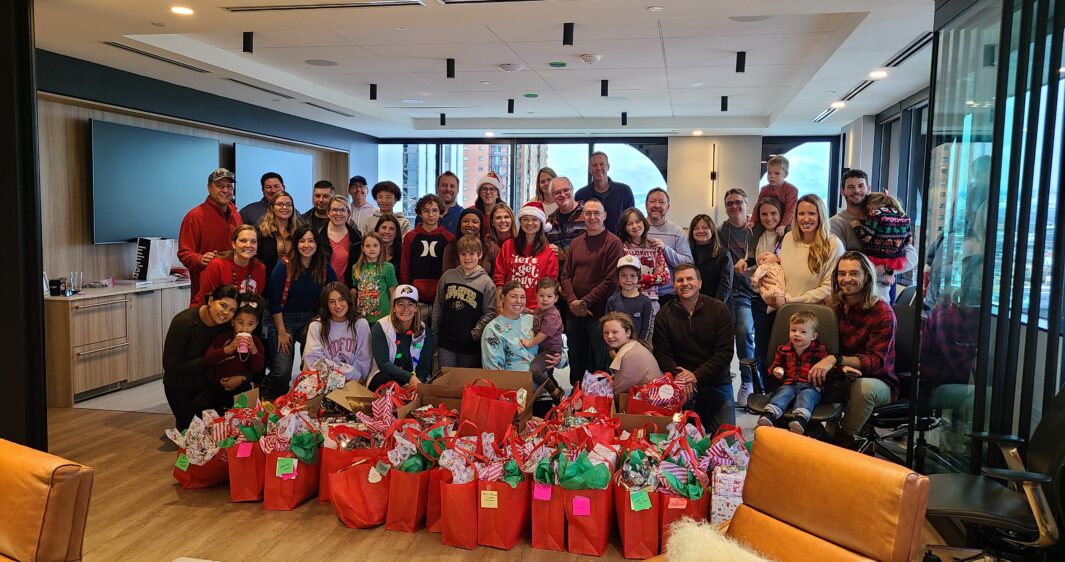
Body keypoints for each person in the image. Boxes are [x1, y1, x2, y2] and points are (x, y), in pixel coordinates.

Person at [808, 251, 897, 446]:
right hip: (842, 374)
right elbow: (820, 348)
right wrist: (837, 365)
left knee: (862, 388)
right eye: (842, 274)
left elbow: (875, 362)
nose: (846, 279)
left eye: (854, 274)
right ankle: (814, 434)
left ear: (866, 277)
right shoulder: (832, 307)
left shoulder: (882, 312)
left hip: (879, 380)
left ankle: (841, 440)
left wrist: (836, 360)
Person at [652, 264, 736, 433]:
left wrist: (696, 376)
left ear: (699, 283)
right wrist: (683, 378)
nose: (685, 283)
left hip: (716, 383)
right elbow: (662, 354)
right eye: (679, 280)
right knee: (673, 440)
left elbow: (725, 353)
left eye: (689, 279)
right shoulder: (664, 314)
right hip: (681, 385)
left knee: (726, 440)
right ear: (674, 285)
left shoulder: (719, 310)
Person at [263, 224, 337, 398]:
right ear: (296, 243)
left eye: (311, 241)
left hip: (309, 320)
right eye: (302, 241)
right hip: (282, 319)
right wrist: (281, 332)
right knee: (282, 371)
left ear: (317, 244)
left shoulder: (323, 266)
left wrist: (322, 317)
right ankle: (266, 395)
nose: (307, 245)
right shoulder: (284, 266)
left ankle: (304, 400)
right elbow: (273, 301)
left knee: (313, 366)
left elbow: (335, 289)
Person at [560, 198, 625, 384]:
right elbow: (565, 276)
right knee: (576, 360)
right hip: (574, 313)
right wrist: (573, 301)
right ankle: (576, 397)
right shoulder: (575, 243)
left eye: (597, 213)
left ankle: (598, 401)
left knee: (599, 362)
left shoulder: (613, 243)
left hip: (600, 314)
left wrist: (585, 302)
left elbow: (611, 281)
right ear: (582, 216)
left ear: (604, 216)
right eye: (588, 213)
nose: (592, 217)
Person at [829, 169, 918, 301]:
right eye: (850, 187)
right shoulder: (836, 223)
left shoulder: (885, 221)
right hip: (850, 298)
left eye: (861, 186)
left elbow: (912, 257)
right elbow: (838, 265)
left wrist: (888, 269)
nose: (856, 191)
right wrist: (881, 276)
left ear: (868, 189)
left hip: (881, 298)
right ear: (842, 191)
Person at [162, 284, 239, 430]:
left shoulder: (228, 325)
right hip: (181, 385)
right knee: (194, 433)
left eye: (232, 310)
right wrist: (210, 360)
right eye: (223, 305)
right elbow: (171, 366)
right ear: (210, 301)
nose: (226, 313)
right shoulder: (183, 322)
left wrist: (241, 377)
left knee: (221, 429)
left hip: (211, 383)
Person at [735, 196, 786, 385]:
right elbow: (752, 260)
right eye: (764, 214)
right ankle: (764, 388)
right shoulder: (755, 232)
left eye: (774, 213)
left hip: (782, 296)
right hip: (758, 296)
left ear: (782, 215)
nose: (769, 218)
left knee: (781, 344)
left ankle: (780, 387)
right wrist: (744, 262)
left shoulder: (788, 236)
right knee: (762, 345)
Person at [757, 311, 831, 434]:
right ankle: (769, 415)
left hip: (810, 386)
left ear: (813, 336)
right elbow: (774, 366)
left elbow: (828, 369)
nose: (796, 334)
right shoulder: (783, 350)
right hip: (789, 384)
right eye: (793, 330)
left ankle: (799, 420)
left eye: (803, 332)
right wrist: (776, 370)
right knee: (783, 393)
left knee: (806, 396)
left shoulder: (820, 351)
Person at [178, 168, 242, 303]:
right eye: (219, 186)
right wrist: (200, 259)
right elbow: (184, 253)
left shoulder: (236, 215)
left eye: (229, 186)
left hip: (234, 289)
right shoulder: (194, 216)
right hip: (207, 289)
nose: (225, 190)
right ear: (209, 188)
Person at [433, 235, 497, 368]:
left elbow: (490, 313)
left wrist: (474, 334)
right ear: (458, 255)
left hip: (469, 344)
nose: (467, 258)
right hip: (446, 340)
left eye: (472, 253)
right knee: (446, 378)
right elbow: (438, 307)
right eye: (463, 254)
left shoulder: (487, 283)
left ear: (480, 255)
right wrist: (435, 333)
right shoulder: (447, 276)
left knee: (465, 381)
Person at [769, 194, 845, 308]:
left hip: (811, 314)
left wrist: (791, 301)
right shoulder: (789, 238)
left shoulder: (834, 245)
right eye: (801, 214)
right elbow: (780, 273)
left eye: (812, 213)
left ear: (821, 216)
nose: (806, 219)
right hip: (781, 309)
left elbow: (829, 288)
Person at [719, 188, 757, 407]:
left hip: (757, 290)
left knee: (748, 333)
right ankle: (738, 380)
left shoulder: (757, 228)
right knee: (735, 332)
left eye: (738, 202)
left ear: (747, 203)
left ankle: (752, 382)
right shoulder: (722, 231)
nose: (734, 206)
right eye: (730, 203)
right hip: (734, 291)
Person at [482, 280, 564, 375]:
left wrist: (559, 360)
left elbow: (558, 346)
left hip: (542, 385)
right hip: (513, 387)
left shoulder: (533, 319)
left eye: (522, 297)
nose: (519, 301)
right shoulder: (492, 330)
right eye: (514, 297)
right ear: (503, 298)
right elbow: (494, 373)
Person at [493, 201, 559, 310]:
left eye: (534, 219)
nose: (529, 223)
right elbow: (499, 276)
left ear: (541, 223)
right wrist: (499, 304)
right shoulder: (508, 245)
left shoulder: (549, 251)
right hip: (509, 307)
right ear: (520, 221)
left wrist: (537, 310)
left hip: (535, 310)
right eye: (525, 219)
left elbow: (550, 284)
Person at [369, 285, 436, 390]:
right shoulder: (380, 327)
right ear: (394, 307)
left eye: (410, 304)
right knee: (383, 380)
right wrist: (409, 378)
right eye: (401, 304)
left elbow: (424, 366)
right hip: (388, 376)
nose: (405, 309)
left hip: (413, 380)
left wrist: (415, 383)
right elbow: (383, 363)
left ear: (415, 308)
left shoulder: (424, 331)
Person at [302, 282, 372, 383]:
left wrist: (353, 378)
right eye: (331, 302)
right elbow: (314, 361)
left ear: (348, 300)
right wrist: (348, 372)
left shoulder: (360, 324)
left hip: (354, 383)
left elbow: (364, 360)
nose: (338, 305)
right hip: (323, 383)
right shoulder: (316, 326)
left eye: (341, 299)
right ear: (326, 305)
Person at [401, 194, 455, 318]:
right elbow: (405, 266)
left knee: (438, 332)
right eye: (426, 211)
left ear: (441, 213)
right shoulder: (411, 237)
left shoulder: (449, 238)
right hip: (416, 296)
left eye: (435, 211)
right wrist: (406, 291)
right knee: (417, 332)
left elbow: (452, 269)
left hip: (440, 296)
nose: (431, 215)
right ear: (420, 213)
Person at [204, 293, 266, 397]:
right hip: (216, 385)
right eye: (240, 322)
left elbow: (257, 368)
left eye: (250, 324)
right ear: (233, 322)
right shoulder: (223, 337)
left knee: (243, 409)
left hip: (241, 386)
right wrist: (228, 349)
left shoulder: (256, 342)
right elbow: (207, 358)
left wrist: (254, 351)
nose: (244, 328)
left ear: (256, 325)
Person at [191, 224, 266, 308]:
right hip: (210, 314)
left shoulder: (260, 268)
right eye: (243, 240)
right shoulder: (217, 265)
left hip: (241, 318)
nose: (248, 245)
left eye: (253, 241)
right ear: (234, 244)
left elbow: (255, 302)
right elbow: (205, 300)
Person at [645, 188, 694, 304]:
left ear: (668, 207)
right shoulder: (637, 228)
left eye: (662, 202)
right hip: (640, 292)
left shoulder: (677, 231)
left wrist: (665, 249)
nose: (657, 205)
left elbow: (688, 264)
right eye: (653, 201)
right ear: (646, 205)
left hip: (669, 294)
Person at [519, 278, 565, 402]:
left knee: (535, 371)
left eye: (549, 296)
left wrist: (530, 343)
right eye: (541, 295)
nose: (545, 299)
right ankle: (558, 396)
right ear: (536, 296)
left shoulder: (553, 315)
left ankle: (555, 392)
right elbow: (535, 314)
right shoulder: (540, 310)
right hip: (543, 349)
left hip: (550, 351)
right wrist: (525, 310)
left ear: (555, 299)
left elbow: (543, 334)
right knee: (548, 374)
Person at [618, 207, 669, 313]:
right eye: (629, 224)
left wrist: (639, 278)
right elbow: (619, 278)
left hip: (651, 302)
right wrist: (652, 278)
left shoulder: (654, 247)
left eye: (638, 221)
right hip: (627, 300)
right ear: (624, 228)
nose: (635, 226)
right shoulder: (621, 248)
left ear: (644, 222)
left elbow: (665, 278)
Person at [851, 192, 913, 278]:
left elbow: (866, 237)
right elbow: (908, 240)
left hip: (876, 258)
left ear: (870, 206)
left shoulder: (876, 214)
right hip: (897, 260)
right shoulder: (902, 215)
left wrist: (857, 227)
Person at [602, 311, 661, 394]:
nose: (609, 336)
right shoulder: (632, 346)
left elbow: (618, 391)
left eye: (615, 332)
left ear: (628, 332)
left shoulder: (628, 353)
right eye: (606, 333)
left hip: (649, 402)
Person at [575, 151, 634, 234]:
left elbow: (631, 220)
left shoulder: (624, 191)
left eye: (602, 164)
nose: (598, 168)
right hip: (591, 243)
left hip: (620, 243)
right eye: (594, 165)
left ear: (608, 167)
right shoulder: (580, 195)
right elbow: (578, 223)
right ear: (589, 169)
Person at [256, 191, 302, 295]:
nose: (284, 207)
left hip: (294, 286)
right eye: (279, 204)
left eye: (288, 204)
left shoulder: (299, 232)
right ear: (272, 207)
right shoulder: (260, 232)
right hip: (268, 287)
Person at [350, 232, 398, 323]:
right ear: (363, 248)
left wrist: (393, 314)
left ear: (381, 247)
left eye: (375, 245)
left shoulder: (388, 267)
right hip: (362, 318)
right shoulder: (356, 268)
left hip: (383, 317)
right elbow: (356, 291)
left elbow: (393, 293)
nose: (372, 249)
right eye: (368, 246)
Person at [606, 255, 653, 342]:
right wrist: (611, 349)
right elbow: (608, 327)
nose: (628, 279)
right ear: (618, 277)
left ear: (638, 277)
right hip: (616, 348)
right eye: (623, 275)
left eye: (632, 276)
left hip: (638, 348)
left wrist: (639, 347)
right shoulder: (612, 301)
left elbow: (646, 329)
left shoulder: (646, 302)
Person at [750, 155, 798, 237]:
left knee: (789, 230)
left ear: (785, 174)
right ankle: (752, 249)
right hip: (771, 217)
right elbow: (758, 206)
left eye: (777, 173)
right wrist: (753, 221)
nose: (772, 176)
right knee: (756, 228)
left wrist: (783, 225)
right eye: (769, 173)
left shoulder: (791, 190)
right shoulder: (764, 189)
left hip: (786, 219)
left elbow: (790, 210)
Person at [319, 194, 363, 282]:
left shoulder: (357, 238)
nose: (338, 213)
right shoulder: (318, 236)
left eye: (342, 210)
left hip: (347, 289)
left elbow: (359, 267)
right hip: (323, 289)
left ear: (348, 213)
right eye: (334, 210)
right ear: (328, 212)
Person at [689, 214, 732, 302]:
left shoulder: (723, 254)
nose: (700, 231)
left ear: (712, 230)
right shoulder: (687, 253)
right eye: (696, 228)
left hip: (717, 305)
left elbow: (725, 286)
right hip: (692, 303)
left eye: (705, 227)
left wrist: (715, 308)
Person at [547, 177, 587, 270]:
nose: (562, 194)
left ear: (572, 190)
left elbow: (594, 249)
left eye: (566, 190)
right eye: (557, 192)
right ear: (552, 196)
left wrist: (560, 253)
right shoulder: (550, 222)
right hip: (559, 279)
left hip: (585, 276)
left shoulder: (588, 214)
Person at [442, 208, 495, 275]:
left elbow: (497, 276)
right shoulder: (450, 247)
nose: (470, 225)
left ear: (481, 225)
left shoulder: (491, 248)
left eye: (475, 222)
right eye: (465, 221)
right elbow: (447, 275)